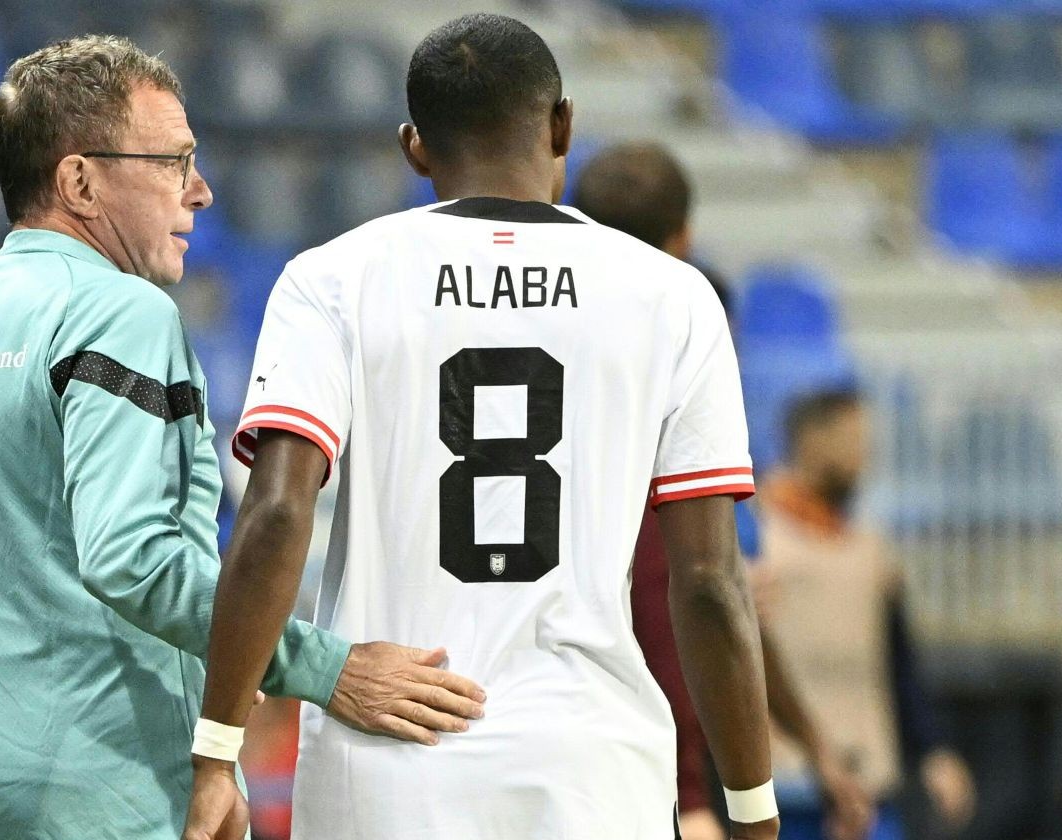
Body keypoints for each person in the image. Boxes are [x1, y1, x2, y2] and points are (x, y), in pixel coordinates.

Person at [0, 35, 483, 839]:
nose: (200, 190)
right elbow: (131, 559)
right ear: (80, 181)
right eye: (172, 161)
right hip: (103, 781)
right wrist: (329, 670)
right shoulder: (119, 314)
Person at [187, 14, 777, 840]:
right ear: (563, 124)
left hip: (388, 761)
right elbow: (710, 582)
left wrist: (217, 747)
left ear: (414, 147)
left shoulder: (329, 279)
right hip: (592, 767)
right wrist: (751, 806)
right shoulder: (673, 295)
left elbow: (279, 512)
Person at [573, 142, 874, 840]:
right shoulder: (683, 362)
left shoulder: (533, 359)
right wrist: (721, 800)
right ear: (683, 234)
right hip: (661, 767)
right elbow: (711, 593)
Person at [753, 390, 976, 840]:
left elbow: (898, 662)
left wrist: (933, 749)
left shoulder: (872, 551)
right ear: (811, 441)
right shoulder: (756, 542)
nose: (864, 455)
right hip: (787, 785)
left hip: (872, 779)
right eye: (853, 439)